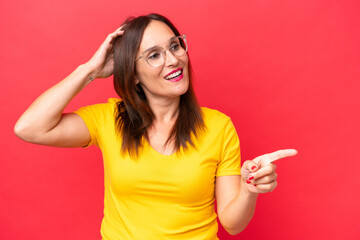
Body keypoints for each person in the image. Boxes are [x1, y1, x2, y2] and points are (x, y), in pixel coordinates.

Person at [14, 13, 297, 239]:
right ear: (134, 75)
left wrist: (248, 190)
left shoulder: (218, 127)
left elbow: (233, 224)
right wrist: (89, 70)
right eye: (154, 55)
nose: (173, 59)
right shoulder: (109, 119)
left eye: (175, 45)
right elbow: (29, 128)